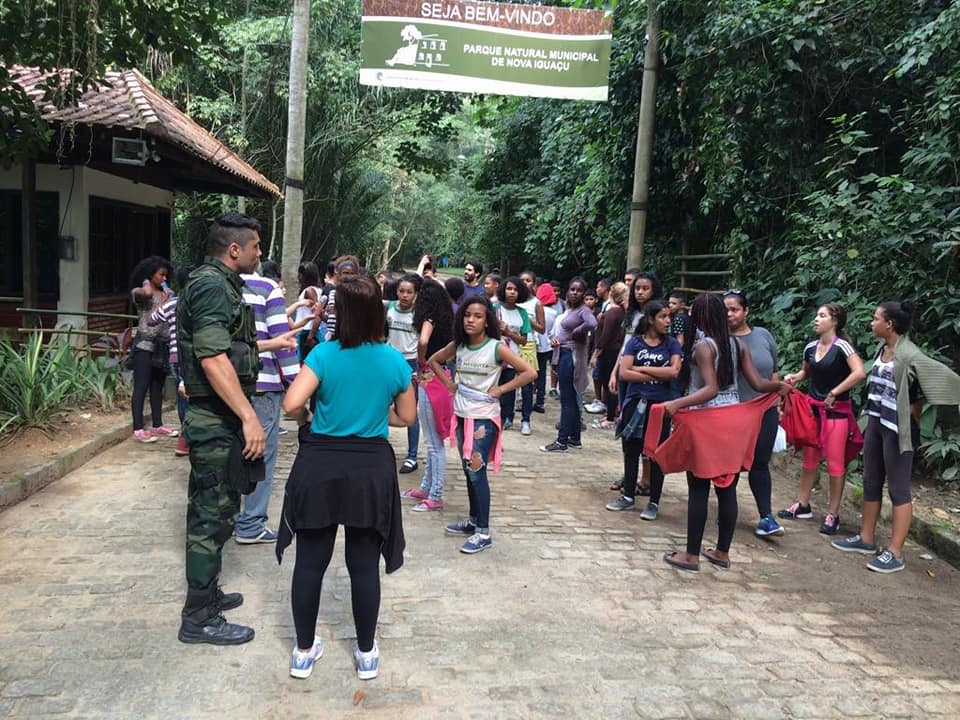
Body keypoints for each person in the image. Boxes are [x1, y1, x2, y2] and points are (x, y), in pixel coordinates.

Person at [278, 274, 416, 680]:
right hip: (369, 469)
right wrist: (375, 415)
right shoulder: (392, 360)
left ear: (340, 312)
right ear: (378, 311)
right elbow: (406, 417)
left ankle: (303, 653)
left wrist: (312, 415)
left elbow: (291, 404)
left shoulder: (323, 354)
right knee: (362, 565)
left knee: (310, 563)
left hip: (319, 463)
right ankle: (367, 653)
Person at [176, 211, 278, 645]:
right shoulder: (211, 286)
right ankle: (198, 617)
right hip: (214, 418)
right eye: (255, 246)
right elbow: (213, 358)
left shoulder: (222, 284)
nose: (260, 252)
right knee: (209, 515)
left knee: (221, 510)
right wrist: (249, 416)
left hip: (221, 417)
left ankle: (208, 594)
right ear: (234, 249)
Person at [661, 293, 786, 572]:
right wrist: (778, 387)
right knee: (727, 488)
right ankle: (721, 552)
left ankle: (691, 556)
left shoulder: (704, 347)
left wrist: (675, 404)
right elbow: (757, 382)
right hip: (732, 421)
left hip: (705, 421)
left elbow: (710, 388)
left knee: (698, 487)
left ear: (702, 317)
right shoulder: (737, 344)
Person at [832, 301, 960, 573]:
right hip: (877, 423)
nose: (871, 323)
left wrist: (919, 405)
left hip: (898, 430)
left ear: (889, 324)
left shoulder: (910, 354)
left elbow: (946, 379)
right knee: (870, 480)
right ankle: (866, 539)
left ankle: (896, 552)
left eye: (875, 318)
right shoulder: (883, 348)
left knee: (898, 488)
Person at [428, 296, 536, 553]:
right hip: (462, 415)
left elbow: (530, 372)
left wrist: (502, 389)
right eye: (467, 315)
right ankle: (474, 520)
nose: (471, 320)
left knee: (477, 472)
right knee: (468, 470)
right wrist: (450, 384)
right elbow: (434, 360)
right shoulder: (459, 346)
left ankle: (483, 532)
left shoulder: (497, 348)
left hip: (484, 418)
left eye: (477, 316)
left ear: (487, 321)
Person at [778, 303, 866, 535]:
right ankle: (803, 504)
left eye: (822, 316)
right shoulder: (810, 347)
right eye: (817, 315)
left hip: (836, 412)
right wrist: (795, 377)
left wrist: (835, 392)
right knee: (809, 459)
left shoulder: (843, 347)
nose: (816, 319)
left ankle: (832, 514)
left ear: (834, 321)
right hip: (812, 410)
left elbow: (859, 372)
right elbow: (806, 372)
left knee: (835, 464)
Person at [235, 265, 300, 544]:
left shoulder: (206, 285)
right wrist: (296, 386)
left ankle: (224, 519)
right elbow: (283, 343)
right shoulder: (265, 289)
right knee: (260, 455)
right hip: (262, 384)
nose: (259, 253)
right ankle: (250, 524)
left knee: (228, 451)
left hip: (220, 385)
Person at [606, 300, 681, 518]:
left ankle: (654, 502)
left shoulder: (672, 344)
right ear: (650, 319)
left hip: (660, 407)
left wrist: (640, 368)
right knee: (631, 449)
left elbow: (674, 372)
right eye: (663, 317)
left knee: (656, 454)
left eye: (669, 317)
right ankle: (628, 495)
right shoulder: (635, 343)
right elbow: (624, 374)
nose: (668, 321)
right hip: (635, 404)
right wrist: (659, 370)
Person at [724, 289, 784, 537]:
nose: (729, 314)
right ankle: (727, 513)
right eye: (725, 310)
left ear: (746, 311)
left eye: (735, 309)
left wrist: (778, 402)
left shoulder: (763, 335)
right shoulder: (718, 341)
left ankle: (766, 516)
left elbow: (774, 372)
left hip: (766, 408)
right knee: (732, 464)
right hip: (733, 411)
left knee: (760, 462)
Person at [401, 280, 455, 511]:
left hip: (430, 378)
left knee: (433, 443)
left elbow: (423, 340)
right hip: (441, 376)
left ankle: (435, 494)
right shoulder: (448, 321)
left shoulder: (429, 319)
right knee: (434, 439)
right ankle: (426, 488)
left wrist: (422, 361)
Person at [540, 277, 597, 453]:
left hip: (571, 356)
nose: (575, 293)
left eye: (579, 290)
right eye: (572, 289)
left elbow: (593, 323)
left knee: (567, 399)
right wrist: (555, 339)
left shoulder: (583, 310)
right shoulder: (569, 308)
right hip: (564, 352)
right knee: (571, 398)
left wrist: (577, 332)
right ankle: (574, 438)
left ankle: (561, 441)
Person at [146, 264, 195, 455]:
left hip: (176, 357)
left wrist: (163, 303)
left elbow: (151, 319)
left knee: (183, 397)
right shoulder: (201, 302)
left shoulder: (173, 303)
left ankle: (184, 440)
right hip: (196, 357)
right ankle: (191, 437)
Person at [129, 255, 174, 443]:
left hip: (162, 346)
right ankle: (138, 428)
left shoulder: (168, 293)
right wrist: (147, 282)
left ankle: (157, 424)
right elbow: (146, 294)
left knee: (158, 387)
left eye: (166, 276)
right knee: (141, 386)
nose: (164, 279)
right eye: (161, 275)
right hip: (144, 345)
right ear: (151, 275)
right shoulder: (140, 292)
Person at [386, 274, 423, 474]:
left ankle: (412, 456)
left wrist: (418, 368)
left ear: (416, 294)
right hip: (389, 360)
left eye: (409, 292)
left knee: (410, 410)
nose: (405, 295)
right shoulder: (388, 308)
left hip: (410, 363)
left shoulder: (419, 314)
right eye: (401, 291)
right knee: (381, 404)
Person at [495, 276, 533, 433]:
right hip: (494, 357)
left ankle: (507, 417)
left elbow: (524, 340)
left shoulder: (522, 313)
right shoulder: (494, 308)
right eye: (509, 289)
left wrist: (509, 332)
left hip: (513, 357)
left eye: (515, 290)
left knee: (509, 389)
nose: (512, 292)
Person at [590, 282, 627, 430]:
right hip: (614, 350)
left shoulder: (613, 313)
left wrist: (595, 353)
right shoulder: (621, 312)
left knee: (609, 384)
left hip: (609, 351)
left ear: (612, 293)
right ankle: (610, 412)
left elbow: (605, 336)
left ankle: (611, 417)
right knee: (610, 383)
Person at [517, 271, 546, 431]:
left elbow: (542, 329)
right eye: (522, 280)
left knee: (526, 385)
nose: (525, 283)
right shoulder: (510, 301)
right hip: (510, 344)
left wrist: (529, 320)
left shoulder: (536, 303)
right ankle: (506, 416)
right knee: (507, 382)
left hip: (528, 345)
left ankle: (525, 420)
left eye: (528, 280)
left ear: (533, 284)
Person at [534, 282, 559, 411]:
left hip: (535, 345)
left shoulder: (536, 309)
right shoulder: (554, 313)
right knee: (542, 374)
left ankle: (528, 398)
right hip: (547, 346)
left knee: (531, 373)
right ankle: (540, 401)